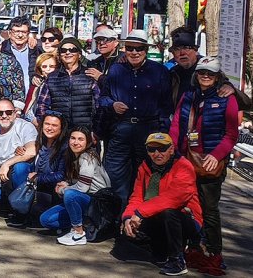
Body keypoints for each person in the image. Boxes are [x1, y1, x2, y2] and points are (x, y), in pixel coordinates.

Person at [169, 57, 238, 273]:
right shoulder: (189, 96)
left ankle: (214, 252)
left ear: (218, 77)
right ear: (196, 75)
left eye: (210, 73)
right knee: (185, 206)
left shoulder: (227, 98)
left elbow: (231, 134)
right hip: (185, 160)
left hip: (210, 163)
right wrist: (173, 152)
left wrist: (216, 155)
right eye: (202, 72)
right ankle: (190, 248)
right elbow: (175, 126)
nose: (205, 76)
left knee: (209, 209)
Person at [100, 30, 174, 208]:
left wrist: (163, 134)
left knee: (147, 174)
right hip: (121, 128)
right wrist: (112, 105)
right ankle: (117, 216)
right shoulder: (116, 69)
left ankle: (141, 217)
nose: (134, 52)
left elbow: (166, 106)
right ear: (125, 49)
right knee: (114, 174)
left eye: (139, 48)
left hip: (148, 130)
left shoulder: (160, 71)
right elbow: (103, 97)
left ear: (146, 50)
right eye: (130, 48)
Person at [121, 133, 202, 277]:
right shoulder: (144, 167)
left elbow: (173, 198)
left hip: (185, 218)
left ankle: (177, 260)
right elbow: (136, 197)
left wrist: (139, 213)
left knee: (168, 212)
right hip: (155, 215)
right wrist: (127, 218)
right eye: (152, 149)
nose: (157, 153)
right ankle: (161, 250)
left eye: (162, 149)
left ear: (171, 149)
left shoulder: (184, 166)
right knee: (127, 231)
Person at [39, 126, 112, 245]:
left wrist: (63, 190)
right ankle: (84, 224)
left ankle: (78, 233)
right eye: (73, 138)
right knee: (46, 220)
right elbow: (77, 180)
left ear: (88, 142)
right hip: (85, 201)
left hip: (97, 203)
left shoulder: (87, 157)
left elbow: (83, 188)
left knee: (70, 194)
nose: (76, 142)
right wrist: (67, 183)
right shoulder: (72, 156)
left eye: (80, 139)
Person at [0, 99, 38, 224]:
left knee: (20, 167)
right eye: (0, 113)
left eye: (8, 112)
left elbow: (32, 151)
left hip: (23, 176)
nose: (4, 116)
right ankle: (12, 206)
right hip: (4, 180)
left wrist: (6, 164)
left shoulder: (25, 127)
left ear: (15, 113)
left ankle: (22, 211)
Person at [35, 37, 100, 137]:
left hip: (85, 132)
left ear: (79, 55)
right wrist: (46, 128)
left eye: (72, 50)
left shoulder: (90, 76)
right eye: (63, 50)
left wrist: (96, 130)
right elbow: (42, 106)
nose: (68, 53)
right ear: (60, 55)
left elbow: (99, 106)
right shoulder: (52, 78)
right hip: (59, 134)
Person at [26, 112, 68, 226]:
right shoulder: (40, 142)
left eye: (54, 125)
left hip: (55, 192)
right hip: (39, 190)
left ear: (61, 128)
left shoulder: (64, 148)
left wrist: (37, 178)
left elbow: (61, 175)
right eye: (47, 124)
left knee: (45, 219)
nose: (49, 128)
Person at [1, 16, 40, 97]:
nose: (20, 35)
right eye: (16, 31)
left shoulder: (36, 50)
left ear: (28, 34)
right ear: (10, 32)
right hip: (8, 101)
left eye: (24, 32)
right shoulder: (1, 50)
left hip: (32, 100)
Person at [24, 52, 59, 125]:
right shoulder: (36, 84)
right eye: (44, 66)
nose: (48, 69)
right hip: (32, 120)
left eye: (52, 66)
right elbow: (28, 106)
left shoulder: (59, 83)